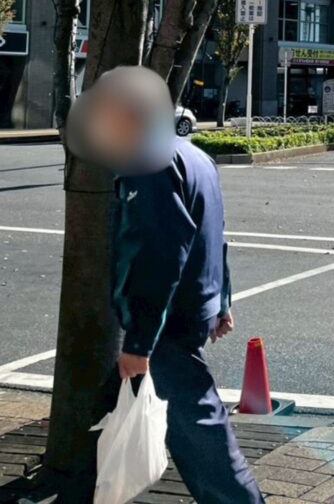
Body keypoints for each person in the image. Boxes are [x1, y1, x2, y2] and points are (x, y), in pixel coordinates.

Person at [66, 66, 265, 504]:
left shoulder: (150, 164)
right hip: (188, 309)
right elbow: (215, 234)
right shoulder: (193, 156)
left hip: (165, 325)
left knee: (201, 432)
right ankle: (77, 492)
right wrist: (221, 300)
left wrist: (140, 343)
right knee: (111, 413)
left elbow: (159, 257)